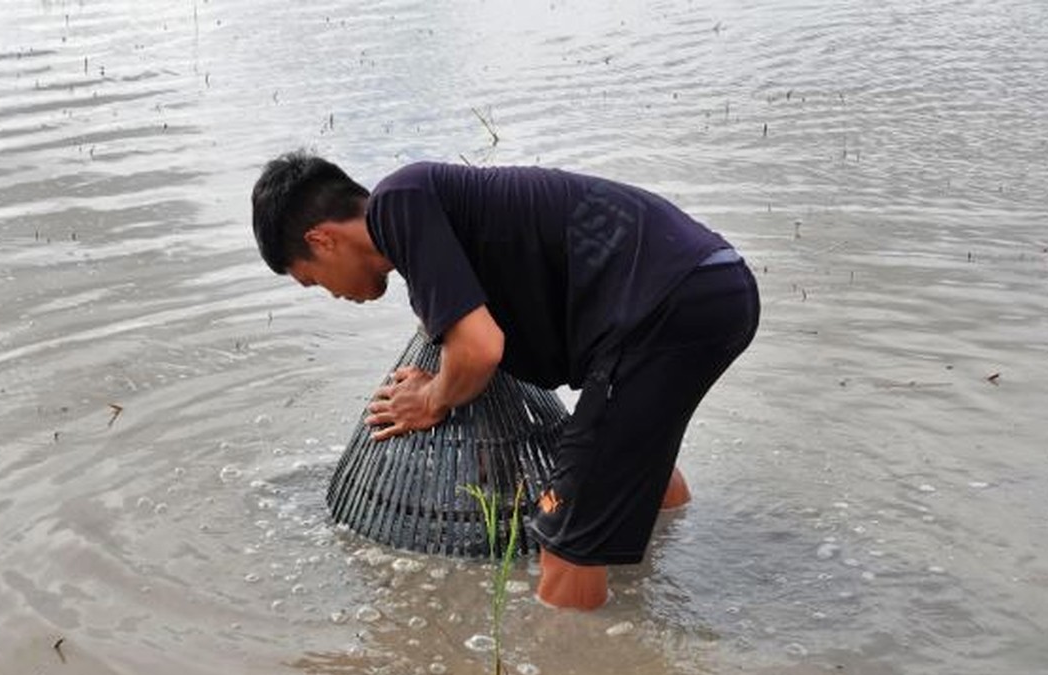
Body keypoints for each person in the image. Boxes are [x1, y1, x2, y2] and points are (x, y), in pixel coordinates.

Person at [250, 151, 759, 611]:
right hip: (711, 284)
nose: (331, 294)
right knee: (630, 470)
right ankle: (669, 559)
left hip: (664, 309)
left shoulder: (398, 203)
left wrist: (432, 398)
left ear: (323, 240)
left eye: (312, 279)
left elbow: (479, 348)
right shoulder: (427, 215)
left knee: (564, 547)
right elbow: (471, 331)